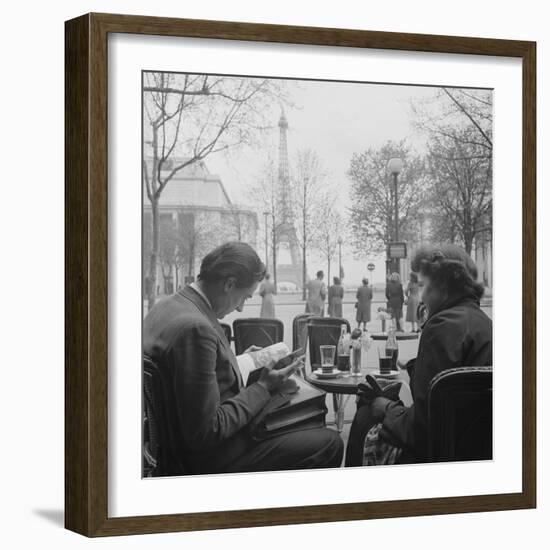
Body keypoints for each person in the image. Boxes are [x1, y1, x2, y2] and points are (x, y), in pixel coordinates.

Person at [143, 242, 343, 475]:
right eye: (244, 298)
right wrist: (264, 387)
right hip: (208, 459)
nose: (240, 309)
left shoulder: (168, 306)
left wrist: (242, 360)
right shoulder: (196, 329)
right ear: (229, 284)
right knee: (328, 441)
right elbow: (208, 431)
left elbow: (189, 380)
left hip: (172, 445)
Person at [345, 244, 492, 466]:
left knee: (366, 414)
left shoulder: (440, 326)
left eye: (423, 285)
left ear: (444, 284)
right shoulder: (483, 322)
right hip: (476, 450)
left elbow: (422, 431)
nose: (420, 296)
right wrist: (415, 368)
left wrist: (384, 406)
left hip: (435, 455)